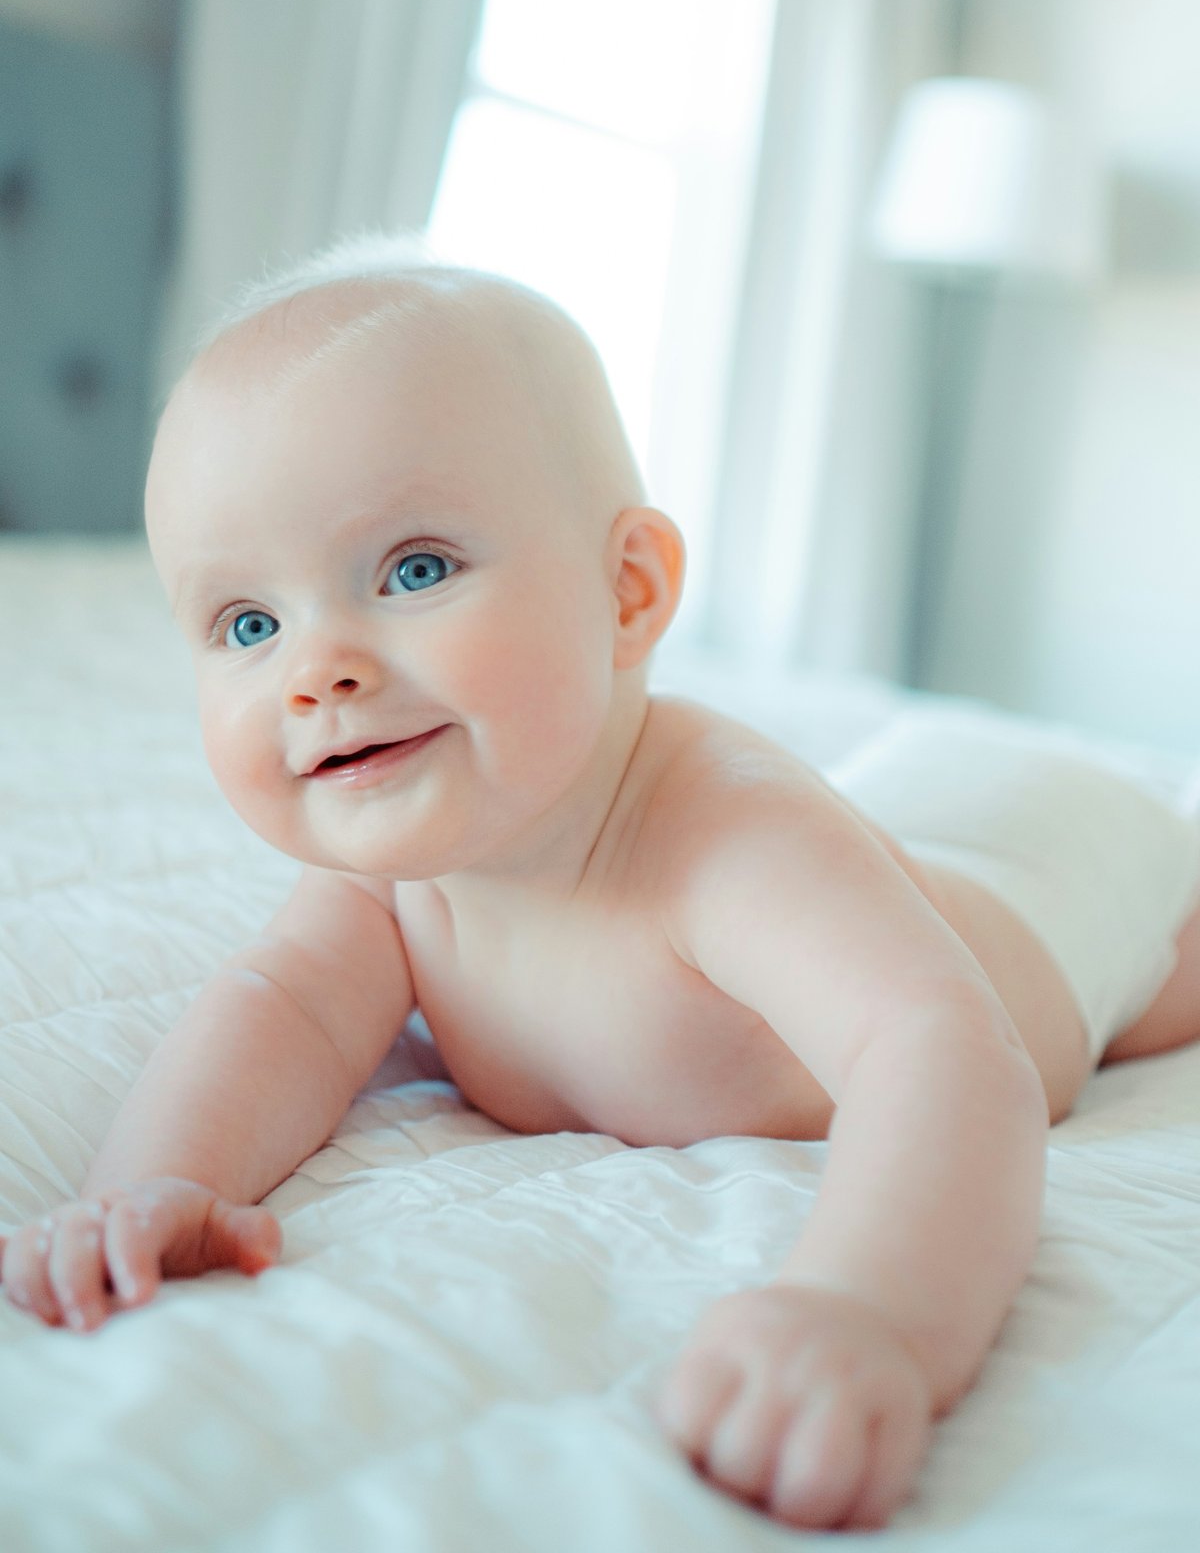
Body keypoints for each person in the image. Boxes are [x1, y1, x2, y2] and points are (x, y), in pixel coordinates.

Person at [4, 235, 1200, 1534]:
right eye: (248, 624)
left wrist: (874, 1315)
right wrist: (152, 1185)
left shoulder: (722, 834)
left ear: (628, 592)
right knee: (893, 828)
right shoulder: (397, 869)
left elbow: (944, 1053)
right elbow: (280, 1011)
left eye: (413, 570)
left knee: (1162, 977)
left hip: (1055, 875)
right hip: (917, 821)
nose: (315, 669)